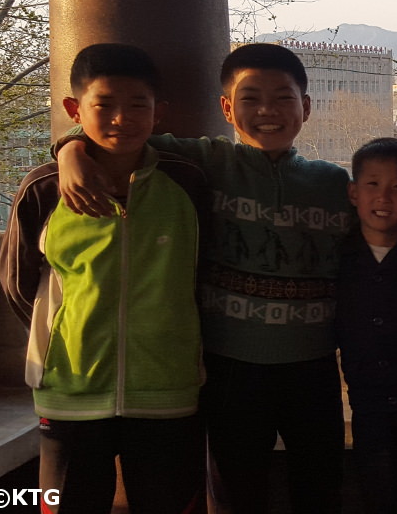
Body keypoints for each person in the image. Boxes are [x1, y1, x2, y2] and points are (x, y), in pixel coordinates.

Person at [56, 42, 353, 513]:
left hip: (312, 364)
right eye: (251, 98)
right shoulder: (205, 163)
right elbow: (119, 132)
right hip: (229, 365)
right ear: (227, 109)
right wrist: (69, 149)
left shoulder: (335, 184)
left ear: (306, 107)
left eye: (283, 98)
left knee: (320, 485)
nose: (268, 111)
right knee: (236, 489)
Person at [0, 43, 208, 513]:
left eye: (138, 105)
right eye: (104, 105)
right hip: (70, 389)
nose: (122, 118)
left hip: (168, 390)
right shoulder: (43, 188)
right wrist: (61, 334)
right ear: (75, 109)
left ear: (160, 114)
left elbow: (202, 272)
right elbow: (15, 281)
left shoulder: (189, 184)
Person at [336, 137, 397, 513]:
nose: (383, 197)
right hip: (367, 403)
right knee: (377, 495)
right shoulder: (338, 252)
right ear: (354, 193)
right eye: (372, 185)